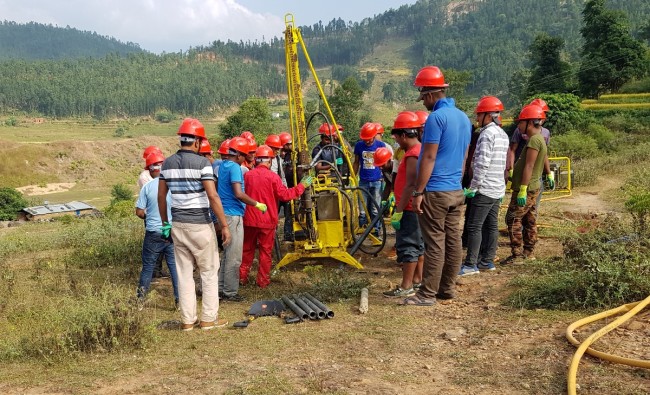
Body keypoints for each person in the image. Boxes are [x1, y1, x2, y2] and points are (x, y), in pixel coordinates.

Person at [402, 66, 471, 306]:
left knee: (434, 243)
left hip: (436, 191)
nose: (423, 103)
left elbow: (429, 157)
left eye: (423, 97)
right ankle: (446, 289)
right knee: (453, 241)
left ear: (430, 94)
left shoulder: (436, 119)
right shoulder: (463, 117)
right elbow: (463, 157)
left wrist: (419, 191)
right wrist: (457, 184)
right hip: (455, 190)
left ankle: (427, 294)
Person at [158, 118, 232, 331]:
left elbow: (161, 196)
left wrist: (165, 224)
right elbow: (212, 195)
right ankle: (209, 319)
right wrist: (224, 225)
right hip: (200, 225)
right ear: (198, 142)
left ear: (181, 139)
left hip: (178, 225)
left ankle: (187, 321)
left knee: (184, 274)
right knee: (208, 272)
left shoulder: (167, 163)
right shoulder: (203, 164)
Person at [240, 145, 312, 288]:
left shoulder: (247, 175)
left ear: (256, 160)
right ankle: (262, 281)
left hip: (249, 220)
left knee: (247, 250)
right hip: (267, 221)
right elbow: (285, 196)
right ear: (270, 161)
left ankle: (241, 278)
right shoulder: (273, 177)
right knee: (265, 252)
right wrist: (302, 186)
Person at [458, 96, 509, 276]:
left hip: (485, 188)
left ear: (489, 115)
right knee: (491, 226)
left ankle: (471, 264)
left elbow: (482, 163)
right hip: (497, 188)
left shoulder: (487, 135)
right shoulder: (503, 134)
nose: (477, 119)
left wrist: (473, 187)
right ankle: (487, 261)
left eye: (479, 115)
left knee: (474, 226)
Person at [217, 137, 266, 302]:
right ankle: (230, 292)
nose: (246, 159)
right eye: (245, 156)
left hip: (224, 213)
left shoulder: (223, 165)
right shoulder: (235, 168)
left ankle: (221, 288)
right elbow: (238, 193)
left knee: (226, 253)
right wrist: (256, 203)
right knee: (235, 256)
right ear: (238, 155)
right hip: (233, 215)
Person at [382, 111, 424, 297]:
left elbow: (411, 184)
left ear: (405, 135)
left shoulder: (413, 154)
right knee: (418, 245)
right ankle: (417, 280)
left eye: (397, 137)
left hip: (408, 208)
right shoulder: (418, 150)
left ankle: (406, 286)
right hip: (411, 206)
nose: (397, 141)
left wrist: (398, 210)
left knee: (408, 246)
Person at [135, 151, 179, 309]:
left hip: (153, 232)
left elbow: (139, 212)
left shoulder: (147, 187)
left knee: (148, 267)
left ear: (151, 169)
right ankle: (179, 300)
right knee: (174, 266)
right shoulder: (174, 185)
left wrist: (148, 215)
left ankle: (140, 300)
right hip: (171, 231)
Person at [505, 105, 548, 264]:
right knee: (529, 220)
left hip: (527, 188)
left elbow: (529, 166)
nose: (518, 126)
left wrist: (522, 189)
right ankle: (529, 252)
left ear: (530, 122)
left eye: (521, 122)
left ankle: (517, 255)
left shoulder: (534, 141)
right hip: (532, 186)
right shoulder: (538, 139)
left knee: (513, 219)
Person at [506, 98, 554, 214]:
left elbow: (544, 154)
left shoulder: (545, 133)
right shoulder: (521, 130)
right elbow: (513, 150)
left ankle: (524, 230)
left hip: (535, 174)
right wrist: (511, 168)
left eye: (543, 114)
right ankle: (521, 230)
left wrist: (548, 173)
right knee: (519, 210)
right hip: (522, 172)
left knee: (530, 210)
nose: (541, 117)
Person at [353, 122, 386, 233]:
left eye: (369, 139)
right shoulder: (359, 145)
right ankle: (362, 232)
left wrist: (385, 177)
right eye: (364, 139)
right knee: (362, 210)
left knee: (375, 209)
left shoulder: (381, 145)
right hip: (363, 181)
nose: (367, 141)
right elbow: (356, 162)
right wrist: (353, 176)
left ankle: (376, 231)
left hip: (377, 180)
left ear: (374, 136)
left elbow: (385, 163)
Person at [279, 132, 295, 241]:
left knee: (289, 213)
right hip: (279, 189)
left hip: (290, 188)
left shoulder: (294, 155)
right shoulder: (278, 158)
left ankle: (288, 236)